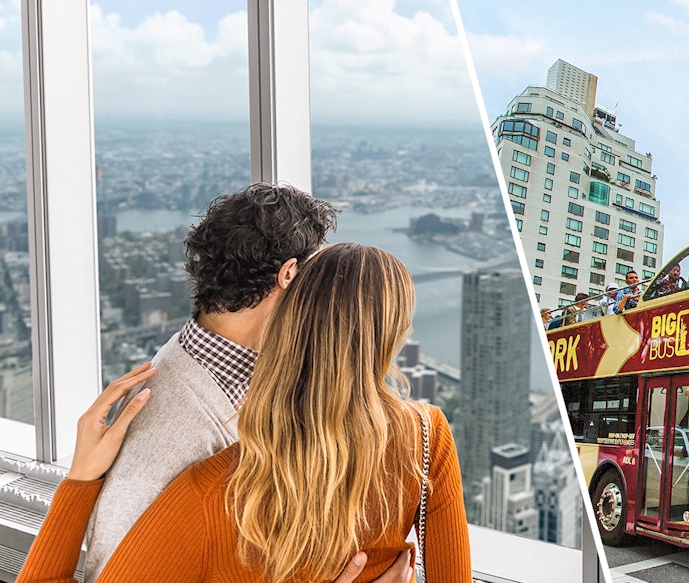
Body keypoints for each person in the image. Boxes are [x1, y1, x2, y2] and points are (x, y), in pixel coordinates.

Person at [19, 243, 471, 581]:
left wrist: (80, 481)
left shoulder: (210, 493)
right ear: (396, 334)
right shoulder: (428, 438)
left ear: (288, 322)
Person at [80, 184, 377, 580]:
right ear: (289, 274)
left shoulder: (226, 369)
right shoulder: (179, 422)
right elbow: (116, 568)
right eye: (316, 272)